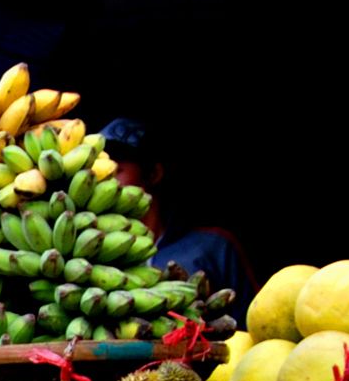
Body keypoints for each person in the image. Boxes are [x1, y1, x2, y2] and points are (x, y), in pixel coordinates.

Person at [102, 117, 253, 300]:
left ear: (154, 174)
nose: (105, 182)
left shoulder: (214, 247)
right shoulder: (95, 259)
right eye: (99, 172)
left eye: (117, 171)